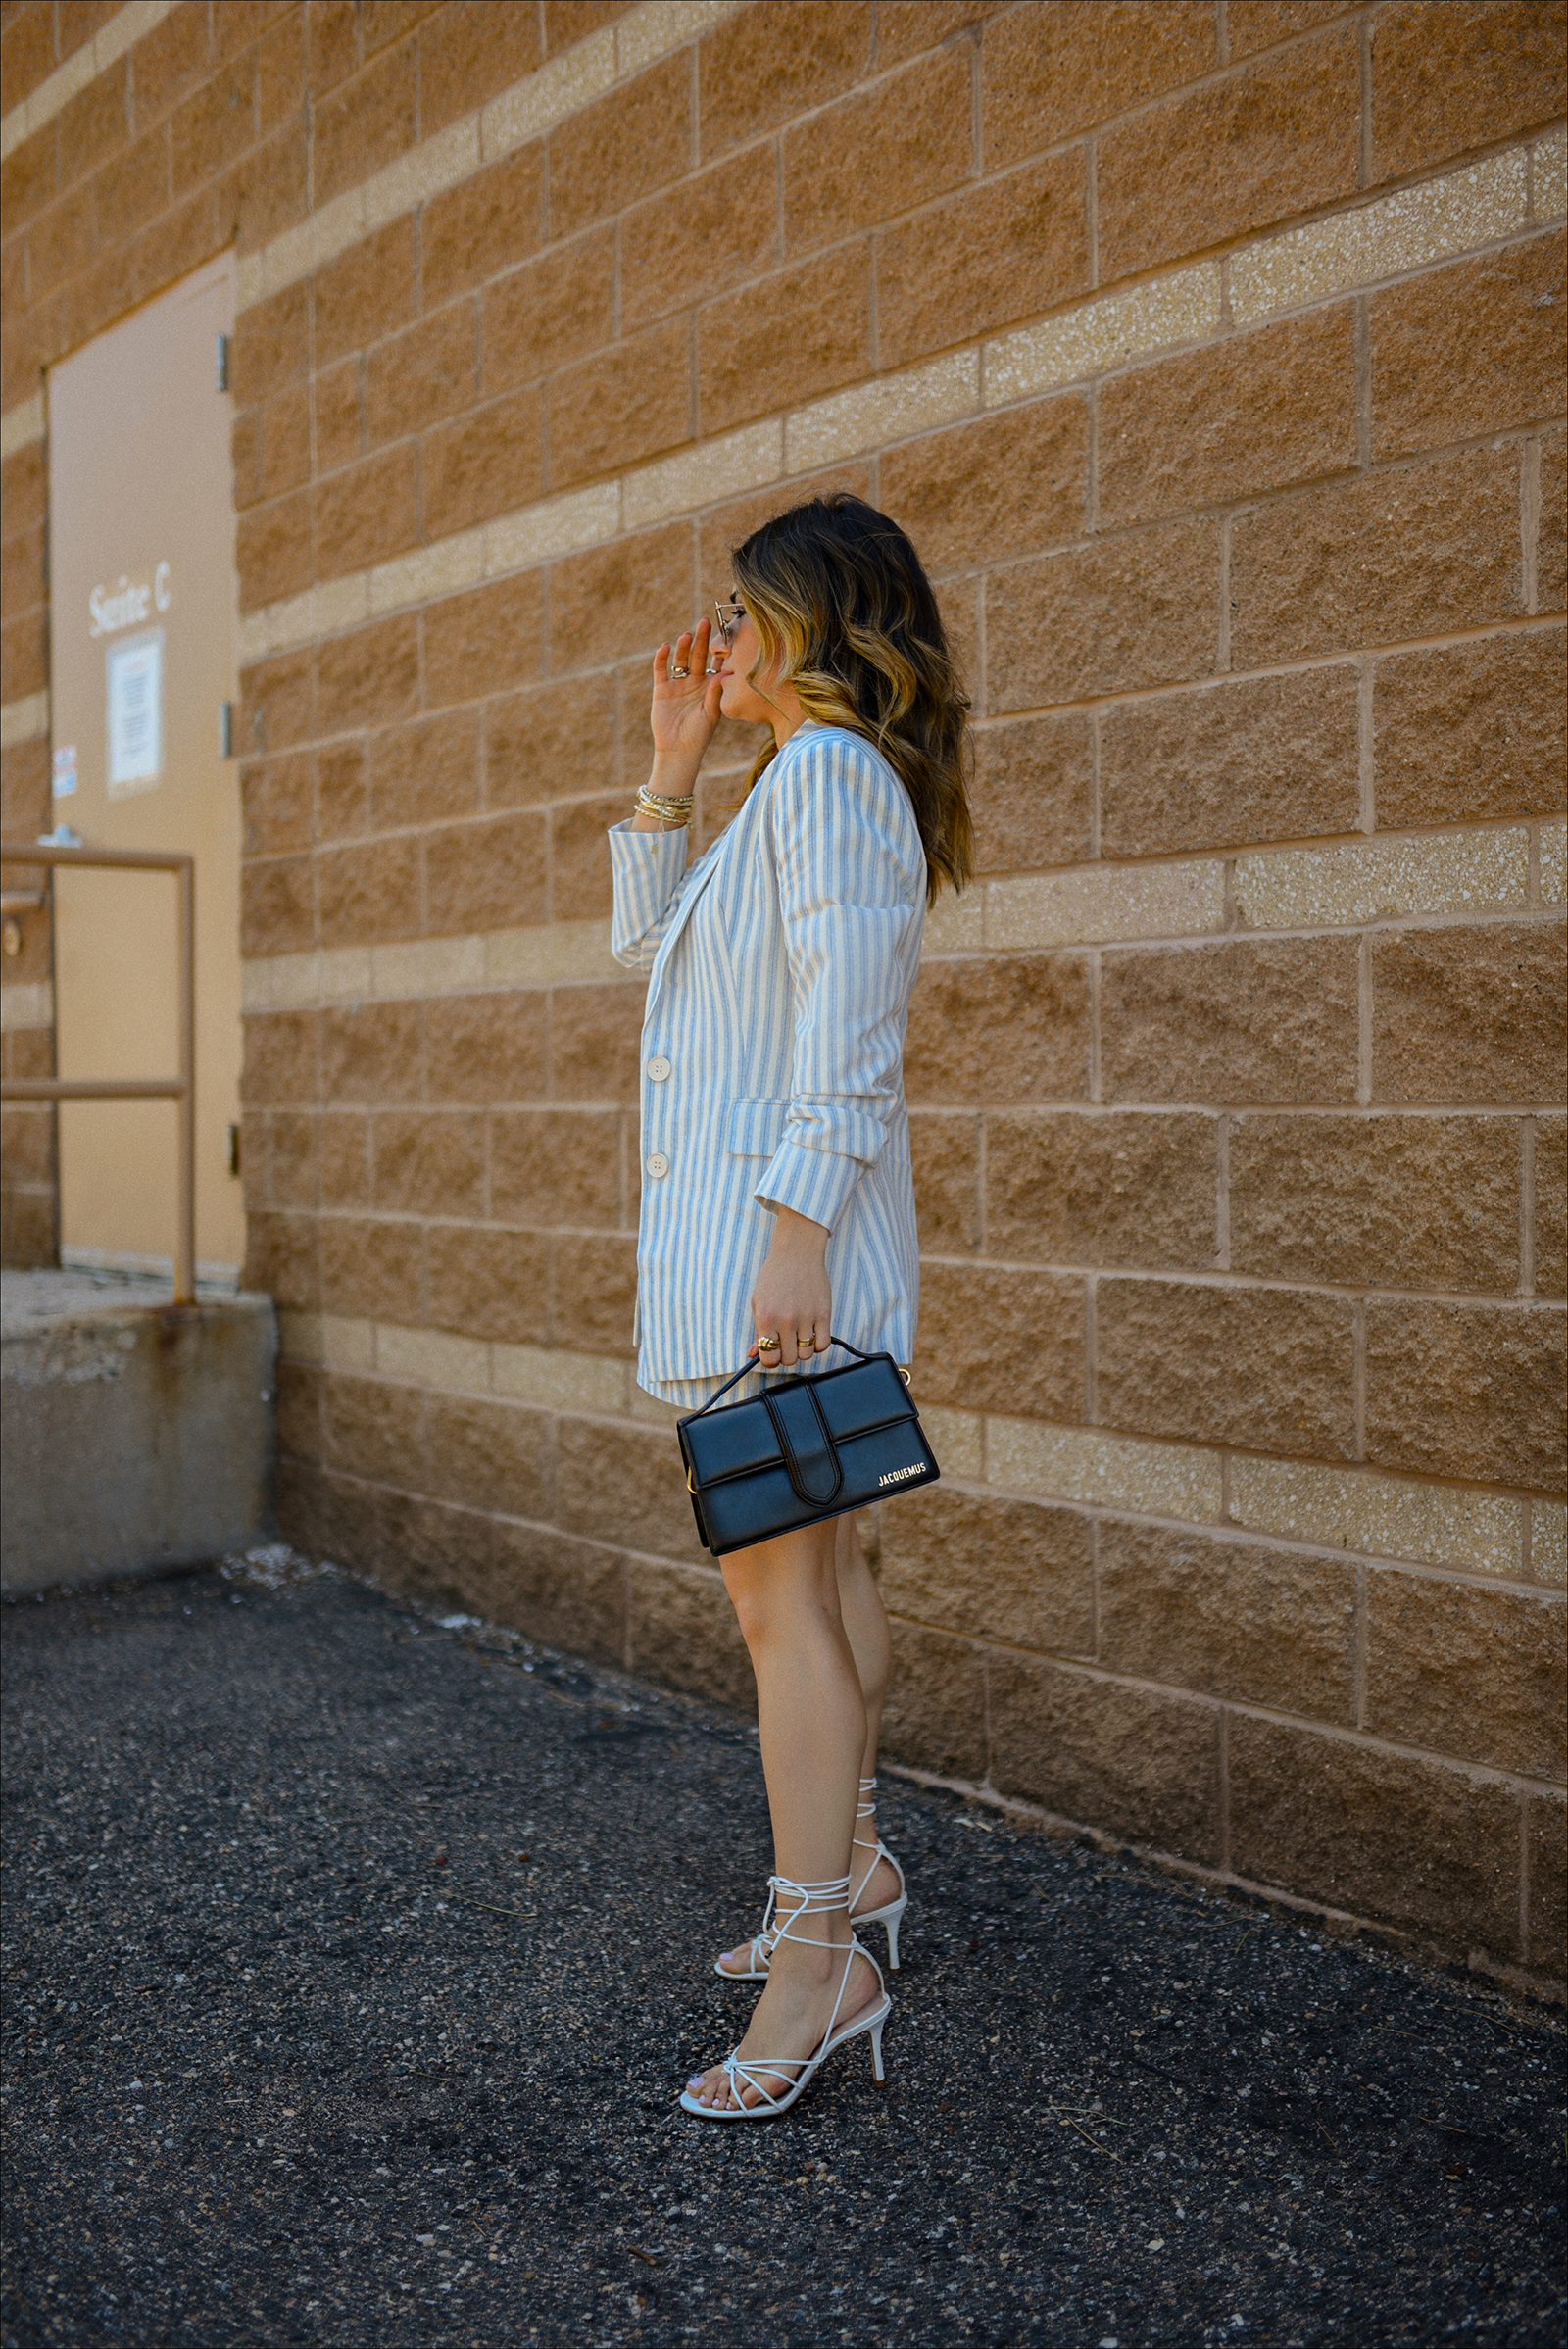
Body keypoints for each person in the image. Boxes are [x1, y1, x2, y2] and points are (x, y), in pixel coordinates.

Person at [607, 494, 971, 2118]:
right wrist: (669, 770)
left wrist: (796, 1239)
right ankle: (863, 1863)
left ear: (817, 627)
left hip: (776, 1269)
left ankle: (823, 1957)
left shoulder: (829, 781)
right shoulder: (789, 784)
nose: (724, 642)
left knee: (780, 1613)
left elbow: (851, 1046)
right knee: (825, 1573)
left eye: (746, 620)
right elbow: (658, 967)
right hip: (773, 1260)